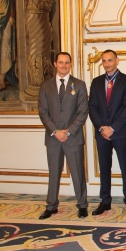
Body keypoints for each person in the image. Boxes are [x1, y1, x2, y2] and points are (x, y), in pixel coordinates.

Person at [38, 52, 88, 219]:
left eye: (67, 63)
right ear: (55, 63)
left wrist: (68, 131)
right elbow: (43, 112)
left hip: (72, 137)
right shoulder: (46, 86)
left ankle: (82, 205)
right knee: (53, 172)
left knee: (77, 172)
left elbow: (82, 111)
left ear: (70, 64)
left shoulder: (79, 85)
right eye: (61, 62)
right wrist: (55, 131)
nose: (64, 65)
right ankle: (51, 205)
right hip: (53, 138)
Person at [88, 49, 126, 216]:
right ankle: (105, 201)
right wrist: (101, 128)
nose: (107, 64)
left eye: (110, 60)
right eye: (104, 61)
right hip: (102, 133)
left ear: (117, 61)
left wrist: (112, 128)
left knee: (125, 167)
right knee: (104, 167)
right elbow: (92, 107)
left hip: (120, 132)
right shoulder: (96, 82)